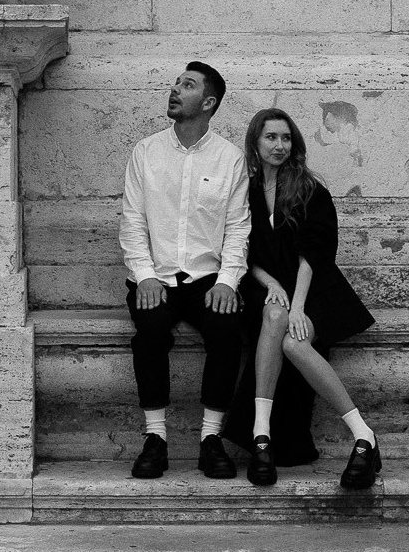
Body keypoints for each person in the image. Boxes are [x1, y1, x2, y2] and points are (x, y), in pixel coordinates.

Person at [223, 107, 381, 490]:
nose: (279, 145)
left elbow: (314, 255)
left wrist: (297, 305)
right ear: (255, 143)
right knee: (273, 318)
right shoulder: (243, 189)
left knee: (294, 342)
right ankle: (263, 436)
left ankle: (363, 434)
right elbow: (239, 249)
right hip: (263, 287)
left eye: (286, 138)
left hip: (314, 290)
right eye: (270, 137)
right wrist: (271, 285)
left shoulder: (311, 189)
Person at [118, 60, 248, 480]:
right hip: (156, 274)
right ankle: (155, 438)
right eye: (175, 83)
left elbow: (238, 226)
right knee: (151, 331)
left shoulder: (230, 159)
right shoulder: (146, 151)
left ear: (208, 102)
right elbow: (133, 220)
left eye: (187, 85)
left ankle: (211, 439)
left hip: (206, 278)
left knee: (228, 331)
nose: (174, 89)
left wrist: (228, 280)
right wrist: (145, 274)